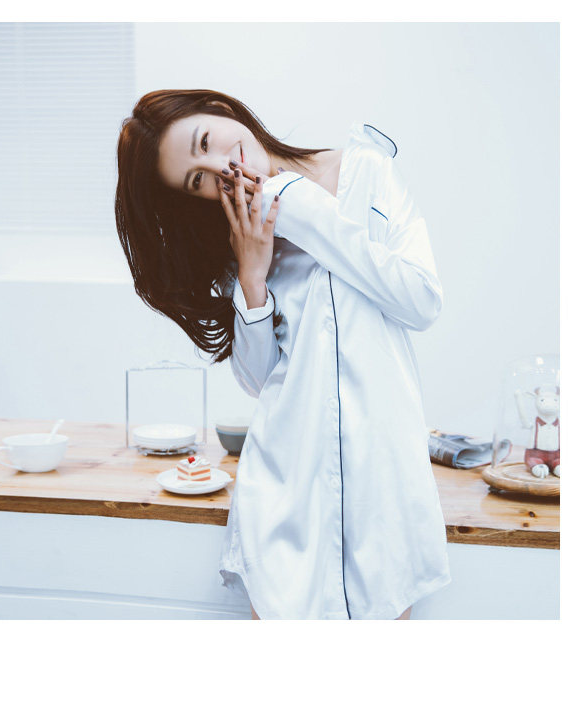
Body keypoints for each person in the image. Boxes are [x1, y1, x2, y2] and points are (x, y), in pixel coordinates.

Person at [115, 89, 451, 620]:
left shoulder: (366, 172)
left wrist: (295, 202)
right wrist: (252, 275)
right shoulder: (240, 234)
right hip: (285, 493)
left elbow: (421, 300)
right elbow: (260, 381)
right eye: (198, 179)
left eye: (206, 142)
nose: (221, 168)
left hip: (381, 491)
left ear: (221, 111)